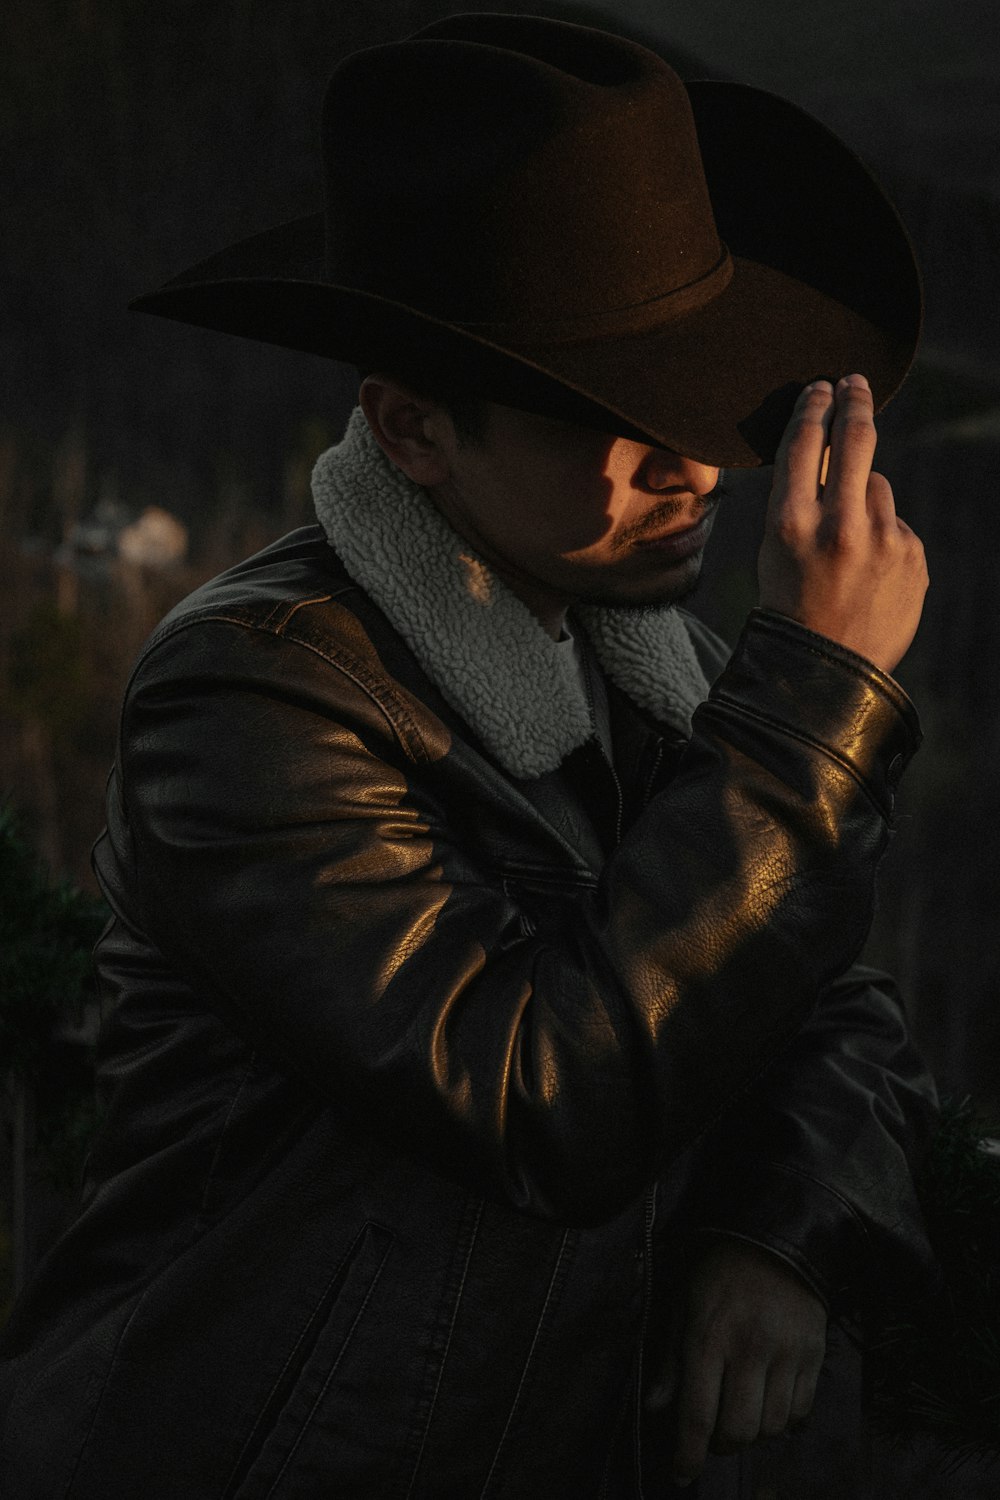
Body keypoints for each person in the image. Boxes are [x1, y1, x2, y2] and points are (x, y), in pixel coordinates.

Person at [0, 13, 937, 1498]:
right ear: (416, 432)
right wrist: (816, 700)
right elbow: (540, 1095)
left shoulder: (654, 663)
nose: (690, 462)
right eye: (611, 417)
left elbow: (829, 995)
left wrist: (781, 1227)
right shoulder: (251, 697)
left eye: (699, 395)